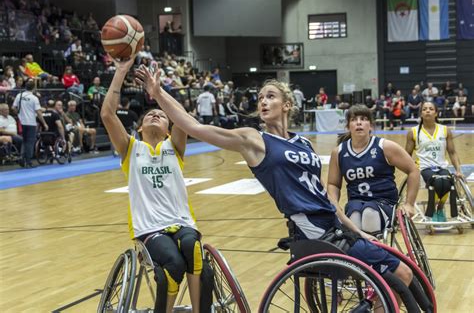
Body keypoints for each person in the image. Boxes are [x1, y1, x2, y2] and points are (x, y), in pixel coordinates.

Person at [135, 65, 414, 290]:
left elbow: (324, 198)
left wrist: (358, 231)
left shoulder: (303, 143)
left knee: (408, 275)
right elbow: (193, 125)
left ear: (287, 104)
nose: (263, 102)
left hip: (336, 227)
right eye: (260, 98)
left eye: (270, 96)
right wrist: (159, 92)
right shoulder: (254, 140)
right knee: (400, 275)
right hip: (315, 233)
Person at [101, 58, 207, 313]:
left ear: (169, 127)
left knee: (193, 247)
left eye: (161, 115)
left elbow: (181, 115)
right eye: (150, 114)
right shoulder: (131, 148)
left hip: (181, 222)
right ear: (139, 127)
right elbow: (107, 114)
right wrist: (121, 71)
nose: (156, 114)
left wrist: (157, 94)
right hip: (149, 228)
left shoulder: (175, 146)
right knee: (173, 264)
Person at [327, 105, 419, 234]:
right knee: (354, 215)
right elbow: (333, 184)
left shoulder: (385, 146)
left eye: (363, 119)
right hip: (355, 202)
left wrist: (409, 204)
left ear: (371, 126)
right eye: (354, 119)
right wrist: (335, 205)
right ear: (348, 126)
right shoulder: (339, 152)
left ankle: (374, 252)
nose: (359, 122)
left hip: (384, 202)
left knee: (369, 213)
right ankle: (364, 251)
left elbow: (413, 170)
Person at [405, 101, 464, 222]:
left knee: (448, 182)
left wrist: (458, 170)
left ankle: (440, 209)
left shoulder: (445, 130)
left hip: (441, 167)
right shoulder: (413, 132)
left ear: (436, 113)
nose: (427, 111)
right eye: (425, 109)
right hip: (423, 168)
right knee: (437, 182)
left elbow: (452, 152)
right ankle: (432, 212)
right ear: (421, 113)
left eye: (431, 109)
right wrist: (410, 173)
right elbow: (406, 155)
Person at [12, 79, 48, 168]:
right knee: (30, 142)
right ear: (34, 88)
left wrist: (19, 113)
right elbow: (39, 112)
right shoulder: (34, 98)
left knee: (25, 140)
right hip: (31, 122)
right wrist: (44, 123)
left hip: (21, 122)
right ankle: (28, 161)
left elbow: (13, 108)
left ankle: (22, 157)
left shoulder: (19, 95)